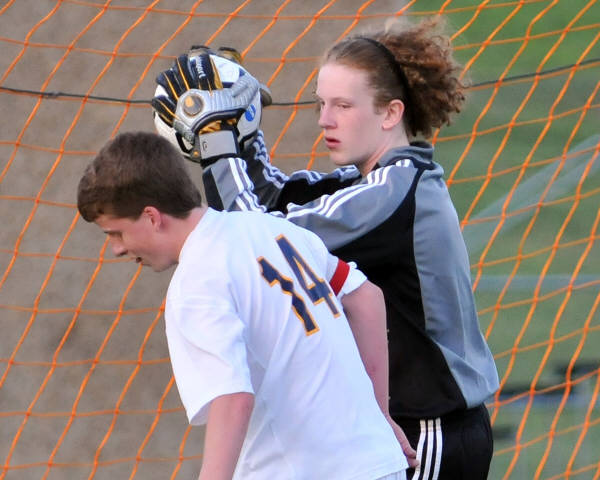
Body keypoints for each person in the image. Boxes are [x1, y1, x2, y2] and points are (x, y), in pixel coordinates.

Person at [151, 16, 500, 480]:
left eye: (343, 106)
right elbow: (273, 196)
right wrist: (240, 129)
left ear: (390, 113)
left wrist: (216, 139)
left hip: (429, 432)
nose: (324, 120)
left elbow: (259, 238)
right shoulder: (370, 184)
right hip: (400, 429)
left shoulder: (392, 194)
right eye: (321, 104)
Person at [77, 131, 409, 480]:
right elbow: (366, 298)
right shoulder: (272, 228)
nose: (116, 249)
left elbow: (233, 400)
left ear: (151, 217)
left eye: (116, 233)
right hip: (378, 462)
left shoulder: (195, 285)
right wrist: (380, 415)